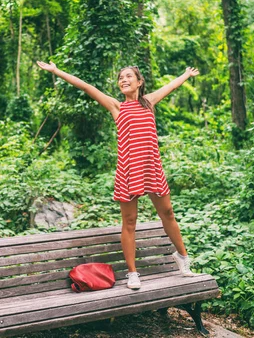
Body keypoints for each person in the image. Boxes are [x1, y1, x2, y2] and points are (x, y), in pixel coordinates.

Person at [36, 61, 200, 290]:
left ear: (139, 82)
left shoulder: (149, 102)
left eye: (128, 76)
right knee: (129, 222)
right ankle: (133, 273)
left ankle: (182, 258)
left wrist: (185, 74)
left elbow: (171, 87)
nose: (123, 80)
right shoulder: (116, 107)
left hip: (151, 167)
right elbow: (86, 87)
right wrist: (56, 71)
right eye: (121, 77)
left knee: (168, 213)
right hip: (128, 170)